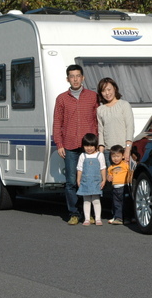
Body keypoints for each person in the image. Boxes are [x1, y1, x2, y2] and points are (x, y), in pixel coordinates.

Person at [53, 64, 99, 225]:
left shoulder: (93, 97)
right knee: (72, 181)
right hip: (70, 146)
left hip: (89, 147)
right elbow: (57, 123)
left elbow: (97, 121)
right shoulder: (62, 98)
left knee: (90, 180)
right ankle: (74, 213)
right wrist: (59, 144)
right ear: (67, 79)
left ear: (83, 77)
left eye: (78, 76)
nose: (75, 79)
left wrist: (99, 143)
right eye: (72, 76)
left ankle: (89, 214)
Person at [96, 77, 134, 167]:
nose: (107, 93)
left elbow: (130, 127)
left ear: (115, 88)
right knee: (109, 179)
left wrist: (127, 150)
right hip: (108, 152)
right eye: (104, 91)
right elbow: (101, 131)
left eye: (109, 89)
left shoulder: (124, 105)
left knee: (122, 179)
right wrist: (101, 152)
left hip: (122, 150)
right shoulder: (100, 110)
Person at [76, 133, 107, 226]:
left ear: (96, 146)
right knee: (86, 200)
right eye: (86, 146)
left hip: (96, 182)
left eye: (91, 146)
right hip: (85, 182)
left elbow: (103, 168)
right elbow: (79, 169)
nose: (89, 148)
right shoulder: (82, 156)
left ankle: (98, 218)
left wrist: (104, 179)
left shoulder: (100, 155)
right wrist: (78, 180)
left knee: (96, 200)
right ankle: (87, 219)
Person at [106, 144, 131, 225]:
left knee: (126, 203)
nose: (115, 158)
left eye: (118, 156)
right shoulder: (110, 167)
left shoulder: (125, 165)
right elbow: (109, 176)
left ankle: (128, 218)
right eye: (113, 156)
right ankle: (118, 218)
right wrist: (108, 177)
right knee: (117, 204)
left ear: (123, 156)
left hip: (125, 187)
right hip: (115, 188)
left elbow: (130, 173)